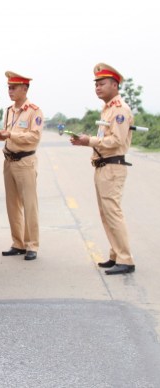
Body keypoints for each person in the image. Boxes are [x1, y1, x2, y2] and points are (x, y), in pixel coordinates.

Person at [70, 63, 135, 275]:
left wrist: (89, 141)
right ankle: (115, 254)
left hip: (112, 166)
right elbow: (103, 138)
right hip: (102, 166)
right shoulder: (107, 109)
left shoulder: (120, 110)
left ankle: (126, 259)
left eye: (102, 83)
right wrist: (87, 141)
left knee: (113, 213)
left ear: (115, 85)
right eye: (96, 84)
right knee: (106, 214)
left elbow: (116, 140)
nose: (97, 87)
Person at [0, 71, 43, 261]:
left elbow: (34, 136)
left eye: (14, 87)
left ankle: (32, 245)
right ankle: (18, 243)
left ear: (25, 89)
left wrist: (12, 135)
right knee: (12, 205)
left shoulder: (34, 111)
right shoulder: (9, 110)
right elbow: (7, 132)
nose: (10, 91)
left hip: (25, 162)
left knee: (29, 205)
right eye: (9, 87)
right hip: (9, 161)